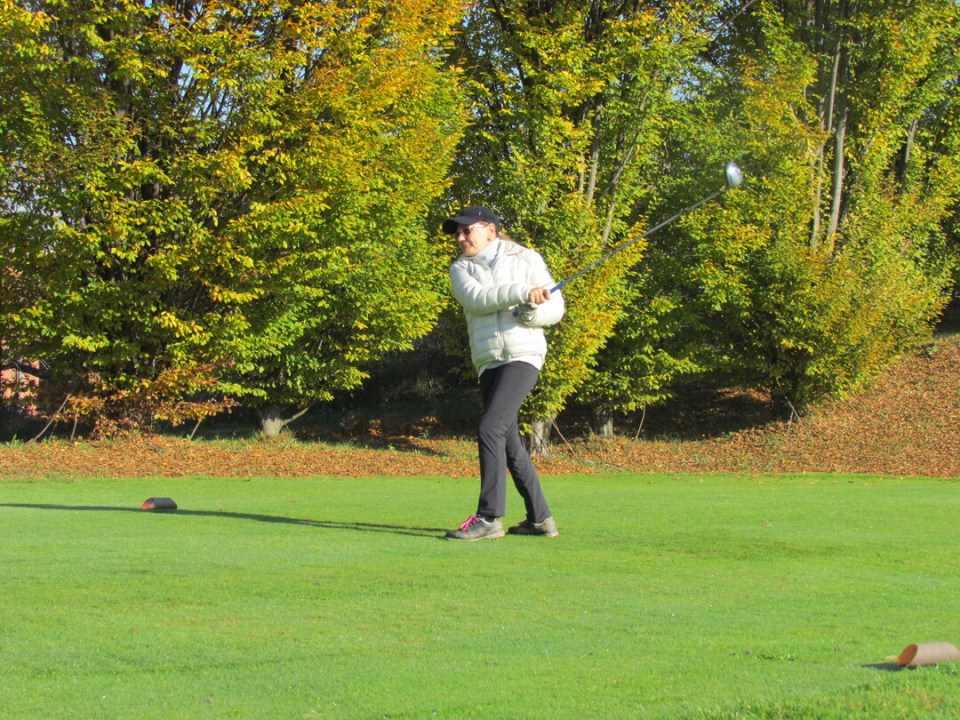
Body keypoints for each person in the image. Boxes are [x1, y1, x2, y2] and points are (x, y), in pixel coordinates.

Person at [442, 206, 565, 541]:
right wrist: (523, 294)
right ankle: (541, 519)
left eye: (466, 230)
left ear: (490, 230)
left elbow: (555, 308)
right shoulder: (460, 268)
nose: (460, 237)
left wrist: (530, 313)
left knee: (490, 426)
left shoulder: (526, 258)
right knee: (508, 442)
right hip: (488, 362)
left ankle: (489, 517)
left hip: (523, 355)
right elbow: (477, 299)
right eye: (457, 232)